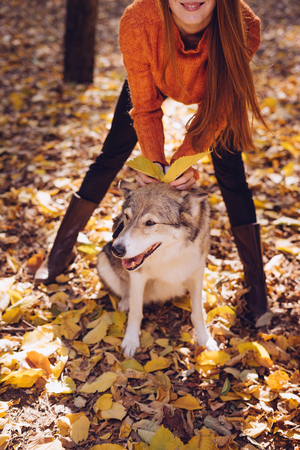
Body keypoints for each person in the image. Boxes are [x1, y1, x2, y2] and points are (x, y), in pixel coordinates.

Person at [35, 0, 269, 325]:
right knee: (111, 155)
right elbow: (144, 108)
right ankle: (59, 254)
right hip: (151, 81)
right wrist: (156, 166)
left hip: (217, 97)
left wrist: (186, 158)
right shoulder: (139, 20)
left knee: (232, 176)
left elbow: (218, 107)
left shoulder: (244, 26)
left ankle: (257, 289)